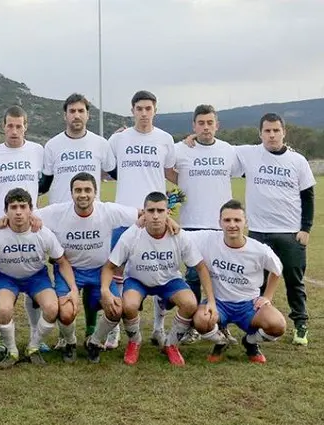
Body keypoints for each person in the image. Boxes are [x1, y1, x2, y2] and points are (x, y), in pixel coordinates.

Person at [95, 191, 214, 366]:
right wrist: (105, 290)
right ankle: (135, 341)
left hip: (169, 280)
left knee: (190, 303)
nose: (156, 216)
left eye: (160, 210)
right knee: (129, 305)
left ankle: (171, 344)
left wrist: (211, 300)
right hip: (138, 280)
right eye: (151, 211)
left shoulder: (178, 235)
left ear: (168, 212)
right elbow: (109, 266)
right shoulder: (132, 234)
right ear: (144, 213)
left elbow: (201, 267)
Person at [33, 173, 139, 362]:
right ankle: (70, 342)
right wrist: (5, 220)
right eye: (78, 190)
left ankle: (94, 342)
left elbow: (143, 213)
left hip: (100, 271)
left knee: (116, 310)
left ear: (95, 193)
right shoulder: (58, 212)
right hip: (69, 270)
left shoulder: (107, 211)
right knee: (66, 313)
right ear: (71, 193)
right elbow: (25, 215)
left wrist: (169, 220)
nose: (83, 194)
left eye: (88, 190)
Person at [39, 93, 117, 350]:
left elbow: (118, 172)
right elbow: (45, 182)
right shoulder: (52, 145)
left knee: (93, 275)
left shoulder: (100, 144)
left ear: (88, 115)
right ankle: (66, 334)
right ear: (65, 115)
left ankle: (93, 328)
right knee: (63, 267)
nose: (76, 115)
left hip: (91, 219)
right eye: (72, 111)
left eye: (81, 111)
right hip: (61, 222)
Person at [234, 113, 316, 346]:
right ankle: (256, 322)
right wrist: (191, 140)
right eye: (267, 131)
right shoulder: (249, 154)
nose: (271, 135)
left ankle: (300, 323)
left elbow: (308, 196)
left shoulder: (297, 161)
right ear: (260, 133)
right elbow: (215, 148)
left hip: (290, 232)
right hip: (259, 232)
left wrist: (306, 228)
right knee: (256, 282)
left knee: (294, 280)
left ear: (283, 132)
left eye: (276, 130)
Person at [0, 188, 79, 368]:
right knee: (4, 309)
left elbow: (62, 261)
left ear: (31, 210)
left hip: (36, 277)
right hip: (7, 278)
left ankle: (33, 347)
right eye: (13, 207)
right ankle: (12, 351)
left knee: (52, 308)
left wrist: (73, 288)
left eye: (23, 207)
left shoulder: (43, 233)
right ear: (5, 211)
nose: (18, 212)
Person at [107, 90, 178, 346]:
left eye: (149, 108)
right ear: (132, 111)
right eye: (139, 108)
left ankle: (158, 328)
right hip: (124, 215)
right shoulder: (118, 139)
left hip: (155, 216)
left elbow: (170, 172)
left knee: (160, 271)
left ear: (155, 110)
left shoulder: (165, 139)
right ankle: (114, 329)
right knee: (117, 272)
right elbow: (109, 170)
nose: (144, 113)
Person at [0, 106, 47, 352]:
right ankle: (2, 338)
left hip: (30, 228)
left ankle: (36, 333)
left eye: (19, 126)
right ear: (3, 126)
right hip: (0, 229)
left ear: (26, 126)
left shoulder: (38, 151)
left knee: (32, 278)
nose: (14, 131)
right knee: (3, 283)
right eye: (10, 126)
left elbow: (47, 182)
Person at [172, 105, 242, 344]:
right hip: (192, 223)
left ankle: (221, 324)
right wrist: (183, 181)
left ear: (217, 125)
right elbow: (164, 166)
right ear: (193, 126)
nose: (205, 127)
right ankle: (191, 325)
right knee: (193, 276)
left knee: (221, 277)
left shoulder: (228, 150)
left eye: (210, 123)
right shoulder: (180, 149)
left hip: (222, 225)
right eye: (200, 123)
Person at [190, 200, 286, 363]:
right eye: (227, 220)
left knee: (277, 325)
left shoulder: (259, 250)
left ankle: (250, 342)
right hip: (219, 303)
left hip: (248, 305)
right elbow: (178, 233)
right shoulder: (207, 239)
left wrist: (267, 297)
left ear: (245, 222)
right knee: (201, 320)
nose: (232, 225)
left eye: (237, 220)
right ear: (219, 222)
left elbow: (277, 270)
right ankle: (221, 341)